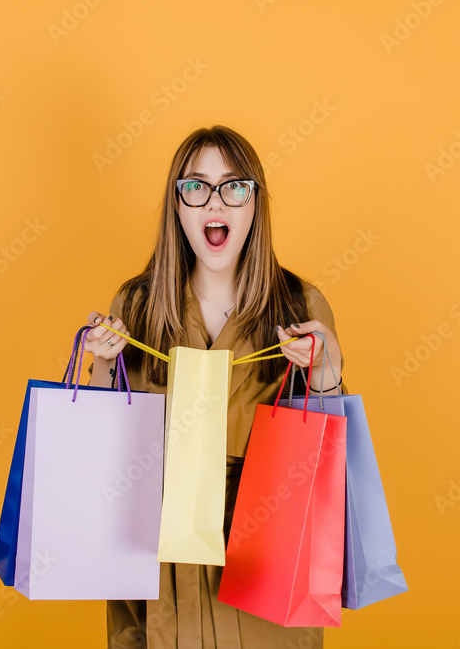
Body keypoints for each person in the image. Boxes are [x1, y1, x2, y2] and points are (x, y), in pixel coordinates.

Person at [82, 125, 349, 649]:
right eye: (195, 186)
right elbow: (106, 451)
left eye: (234, 186)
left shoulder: (300, 304)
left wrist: (327, 374)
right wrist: (99, 367)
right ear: (177, 204)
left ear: (255, 203)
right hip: (157, 548)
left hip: (267, 542)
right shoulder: (135, 306)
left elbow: (323, 458)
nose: (214, 202)